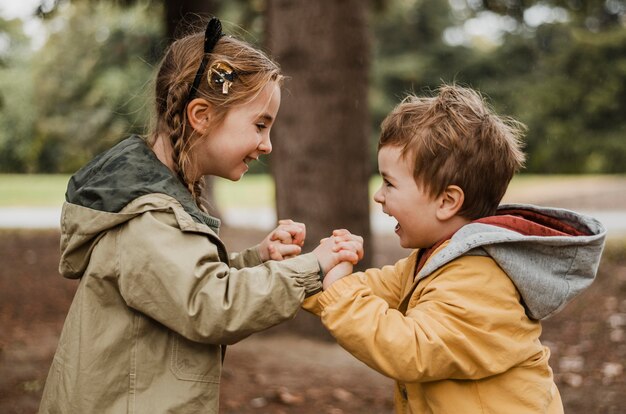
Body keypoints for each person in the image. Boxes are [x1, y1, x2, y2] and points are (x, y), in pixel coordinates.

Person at [39, 17, 362, 413]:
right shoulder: (148, 217)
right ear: (201, 115)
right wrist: (315, 266)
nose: (268, 145)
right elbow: (211, 306)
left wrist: (257, 259)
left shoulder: (153, 206)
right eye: (260, 125)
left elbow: (184, 283)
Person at [305, 84, 606, 413]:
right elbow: (375, 288)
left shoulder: (479, 280)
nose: (379, 195)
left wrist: (339, 292)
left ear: (447, 201)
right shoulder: (436, 257)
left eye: (389, 183)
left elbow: (412, 349)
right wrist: (307, 271)